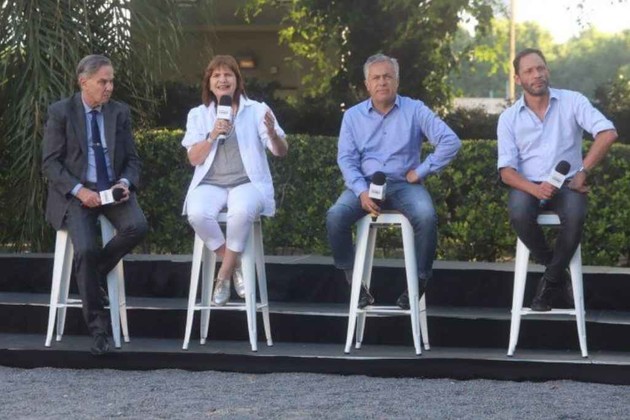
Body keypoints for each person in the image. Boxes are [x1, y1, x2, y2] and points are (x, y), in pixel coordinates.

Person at [326, 53, 461, 310]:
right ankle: (354, 283)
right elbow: (346, 159)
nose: (382, 82)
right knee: (335, 217)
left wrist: (421, 171)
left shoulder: (415, 109)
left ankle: (419, 282)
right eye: (376, 77)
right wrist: (361, 191)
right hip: (365, 184)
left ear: (397, 81)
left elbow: (450, 141)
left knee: (426, 217)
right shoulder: (352, 116)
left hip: (404, 184)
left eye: (387, 76)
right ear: (367, 84)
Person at [42, 54, 148, 355]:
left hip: (111, 190)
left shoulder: (119, 112)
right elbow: (50, 164)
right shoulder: (61, 112)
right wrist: (79, 191)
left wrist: (124, 183)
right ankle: (99, 331)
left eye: (111, 81)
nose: (109, 87)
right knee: (86, 249)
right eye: (103, 81)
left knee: (138, 226)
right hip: (77, 194)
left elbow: (132, 160)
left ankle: (94, 274)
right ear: (83, 82)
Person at [497, 48, 618, 311]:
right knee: (518, 213)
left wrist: (583, 171)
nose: (537, 74)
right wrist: (535, 190)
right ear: (518, 79)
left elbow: (608, 133)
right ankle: (559, 277)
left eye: (541, 68)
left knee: (575, 215)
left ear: (547, 70)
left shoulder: (572, 101)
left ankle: (550, 281)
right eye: (529, 71)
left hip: (568, 183)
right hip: (528, 185)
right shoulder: (508, 118)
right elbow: (507, 172)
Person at [181, 55, 288, 306]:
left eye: (228, 74)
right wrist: (212, 135)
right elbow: (194, 159)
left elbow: (280, 151)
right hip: (211, 183)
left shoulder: (257, 110)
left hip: (247, 182)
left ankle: (223, 275)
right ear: (209, 83)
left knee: (240, 212)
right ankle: (235, 264)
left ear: (237, 81)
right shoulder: (198, 114)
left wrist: (273, 134)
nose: (222, 79)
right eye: (216, 75)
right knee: (197, 213)